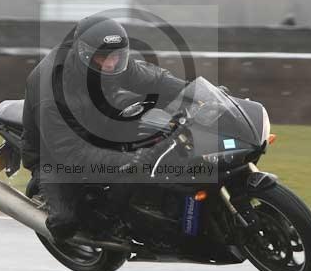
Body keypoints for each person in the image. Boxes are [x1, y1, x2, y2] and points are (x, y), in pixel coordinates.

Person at [21, 15, 187, 240]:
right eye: (102, 58)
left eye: (116, 56)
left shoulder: (113, 63)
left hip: (98, 124)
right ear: (84, 54)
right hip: (55, 155)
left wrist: (196, 91)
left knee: (158, 131)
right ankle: (103, 222)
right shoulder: (51, 91)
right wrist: (129, 160)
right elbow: (71, 154)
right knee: (65, 222)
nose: (110, 64)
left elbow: (155, 80)